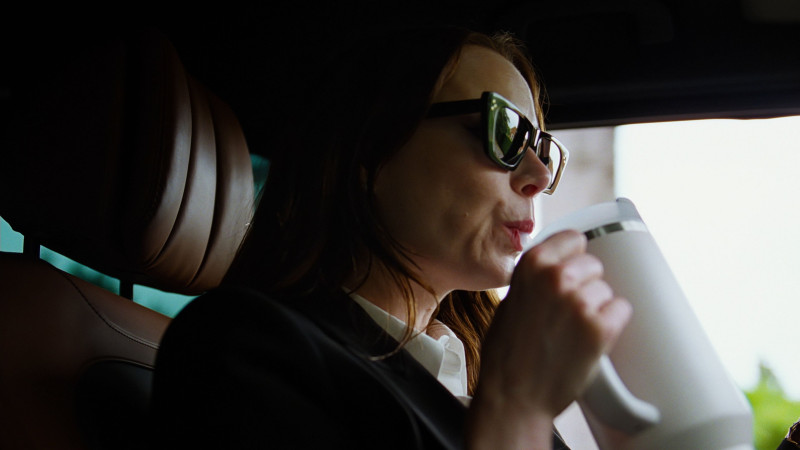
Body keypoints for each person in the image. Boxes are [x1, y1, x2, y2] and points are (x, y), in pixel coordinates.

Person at [150, 25, 631, 449]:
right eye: (504, 131)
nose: (539, 175)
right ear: (373, 151)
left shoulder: (470, 374)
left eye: (541, 147)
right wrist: (517, 406)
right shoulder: (246, 345)